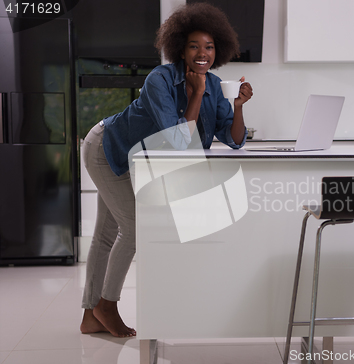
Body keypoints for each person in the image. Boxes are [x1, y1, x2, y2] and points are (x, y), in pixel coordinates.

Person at [79, 2, 253, 338]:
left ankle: (90, 315)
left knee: (106, 233)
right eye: (194, 46)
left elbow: (233, 139)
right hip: (106, 147)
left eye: (209, 46)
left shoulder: (215, 84)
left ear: (219, 49)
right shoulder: (161, 78)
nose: (202, 53)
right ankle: (106, 305)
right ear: (180, 48)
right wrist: (198, 92)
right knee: (132, 228)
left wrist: (238, 106)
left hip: (134, 157)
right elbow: (177, 141)